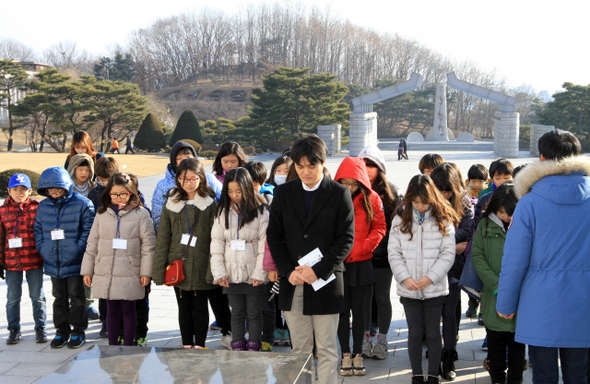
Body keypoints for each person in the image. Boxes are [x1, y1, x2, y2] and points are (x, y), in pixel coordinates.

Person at [497, 130, 590, 384]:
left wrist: (505, 304)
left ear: (541, 157)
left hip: (541, 304)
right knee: (578, 375)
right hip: (585, 303)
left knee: (544, 375)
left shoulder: (529, 203)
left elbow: (515, 260)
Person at [267, 134, 355, 384]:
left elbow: (345, 239)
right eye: (300, 165)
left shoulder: (339, 194)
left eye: (311, 165)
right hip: (293, 281)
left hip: (325, 282)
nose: (306, 171)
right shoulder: (284, 193)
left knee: (327, 348)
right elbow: (273, 235)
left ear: (323, 162)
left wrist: (318, 270)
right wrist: (287, 271)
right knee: (299, 350)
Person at [388, 175, 459, 384]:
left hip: (434, 288)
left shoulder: (443, 217)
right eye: (415, 201)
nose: (420, 206)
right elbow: (394, 253)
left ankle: (433, 376)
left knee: (434, 333)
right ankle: (417, 375)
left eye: (424, 201)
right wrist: (404, 278)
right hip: (409, 288)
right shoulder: (400, 218)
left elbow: (447, 254)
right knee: (415, 332)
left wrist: (430, 277)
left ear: (433, 198)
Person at [81, 173, 156, 346]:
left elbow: (148, 246)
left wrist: (146, 272)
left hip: (130, 271)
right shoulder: (102, 214)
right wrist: (87, 270)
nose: (118, 197)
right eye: (114, 194)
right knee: (111, 311)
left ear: (131, 192)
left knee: (129, 311)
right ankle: (112, 346)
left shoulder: (141, 214)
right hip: (106, 270)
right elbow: (92, 243)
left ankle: (129, 345)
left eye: (123, 193)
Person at [152, 158, 219, 349]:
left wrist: (212, 270)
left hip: (201, 261)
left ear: (200, 178)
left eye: (192, 178)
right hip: (177, 263)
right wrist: (158, 270)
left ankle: (200, 344)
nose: (187, 182)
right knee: (183, 306)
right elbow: (163, 237)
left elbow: (215, 239)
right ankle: (187, 343)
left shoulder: (210, 204)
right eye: (182, 178)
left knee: (200, 305)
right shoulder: (171, 203)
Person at [333, 157, 386, 376]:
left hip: (362, 262)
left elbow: (380, 226)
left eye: (354, 183)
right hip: (340, 264)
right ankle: (345, 353)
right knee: (342, 312)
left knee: (361, 312)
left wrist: (365, 247)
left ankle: (358, 354)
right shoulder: (332, 197)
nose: (350, 187)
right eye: (345, 183)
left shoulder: (371, 197)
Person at [34, 167, 95, 349]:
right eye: (50, 190)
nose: (54, 193)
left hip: (74, 260)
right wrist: (42, 248)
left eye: (58, 189)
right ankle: (61, 331)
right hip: (53, 260)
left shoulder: (83, 203)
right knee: (58, 297)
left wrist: (77, 248)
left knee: (77, 297)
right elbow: (38, 229)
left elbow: (88, 230)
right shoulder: (43, 205)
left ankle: (78, 331)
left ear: (66, 186)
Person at [471, 183, 525, 384]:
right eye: (501, 212)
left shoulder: (525, 225)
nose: (505, 217)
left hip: (519, 298)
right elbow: (477, 256)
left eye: (509, 212)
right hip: (493, 296)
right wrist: (496, 286)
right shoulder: (485, 225)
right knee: (495, 346)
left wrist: (515, 287)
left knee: (518, 347)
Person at [210, 167, 269, 351]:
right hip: (231, 273)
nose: (234, 195)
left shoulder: (261, 211)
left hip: (253, 274)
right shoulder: (222, 212)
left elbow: (264, 245)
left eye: (238, 190)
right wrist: (219, 272)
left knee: (254, 313)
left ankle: (254, 345)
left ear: (247, 188)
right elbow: (216, 244)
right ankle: (237, 346)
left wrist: (260, 273)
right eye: (230, 191)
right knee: (236, 314)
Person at [357, 145, 402, 360]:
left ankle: (382, 340)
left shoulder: (392, 192)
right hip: (361, 255)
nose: (367, 169)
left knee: (382, 297)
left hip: (384, 255)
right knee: (364, 299)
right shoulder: (354, 190)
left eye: (372, 165)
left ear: (380, 167)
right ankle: (365, 338)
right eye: (363, 164)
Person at [430, 163, 475, 381]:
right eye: (441, 190)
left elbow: (466, 233)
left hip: (454, 269)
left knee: (449, 315)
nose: (445, 194)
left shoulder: (465, 205)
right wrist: (451, 243)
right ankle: (434, 355)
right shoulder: (426, 202)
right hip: (429, 269)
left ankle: (449, 357)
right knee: (432, 316)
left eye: (449, 190)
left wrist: (439, 242)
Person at [0, 173, 47, 344]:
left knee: (37, 295)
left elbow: (43, 233)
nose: (19, 192)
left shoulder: (37, 207)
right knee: (13, 297)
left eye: (23, 189)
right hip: (12, 262)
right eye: (15, 189)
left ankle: (40, 327)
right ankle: (13, 329)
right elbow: (0, 237)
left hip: (33, 259)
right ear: (9, 190)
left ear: (30, 191)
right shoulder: (2, 210)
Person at [152, 141, 222, 231]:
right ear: (174, 161)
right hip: (176, 236)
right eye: (179, 158)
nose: (185, 161)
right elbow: (158, 216)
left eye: (188, 157)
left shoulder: (209, 179)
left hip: (205, 234)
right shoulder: (163, 185)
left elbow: (222, 201)